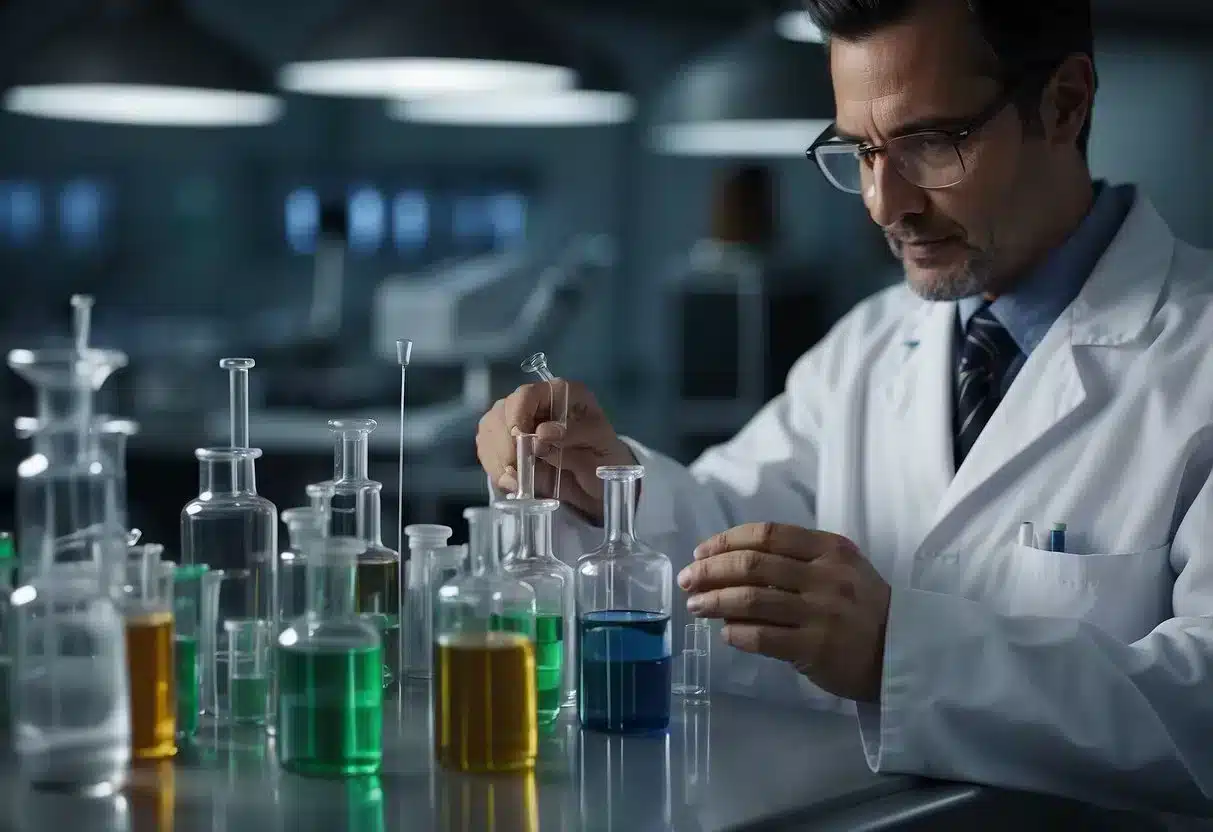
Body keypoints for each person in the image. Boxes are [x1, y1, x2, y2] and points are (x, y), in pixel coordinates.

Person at [476, 0, 1213, 813]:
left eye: (931, 144)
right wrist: (607, 488)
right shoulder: (866, 346)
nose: (881, 202)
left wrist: (896, 649)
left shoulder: (1196, 359)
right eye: (860, 151)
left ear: (1065, 104)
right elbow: (726, 533)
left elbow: (1200, 709)